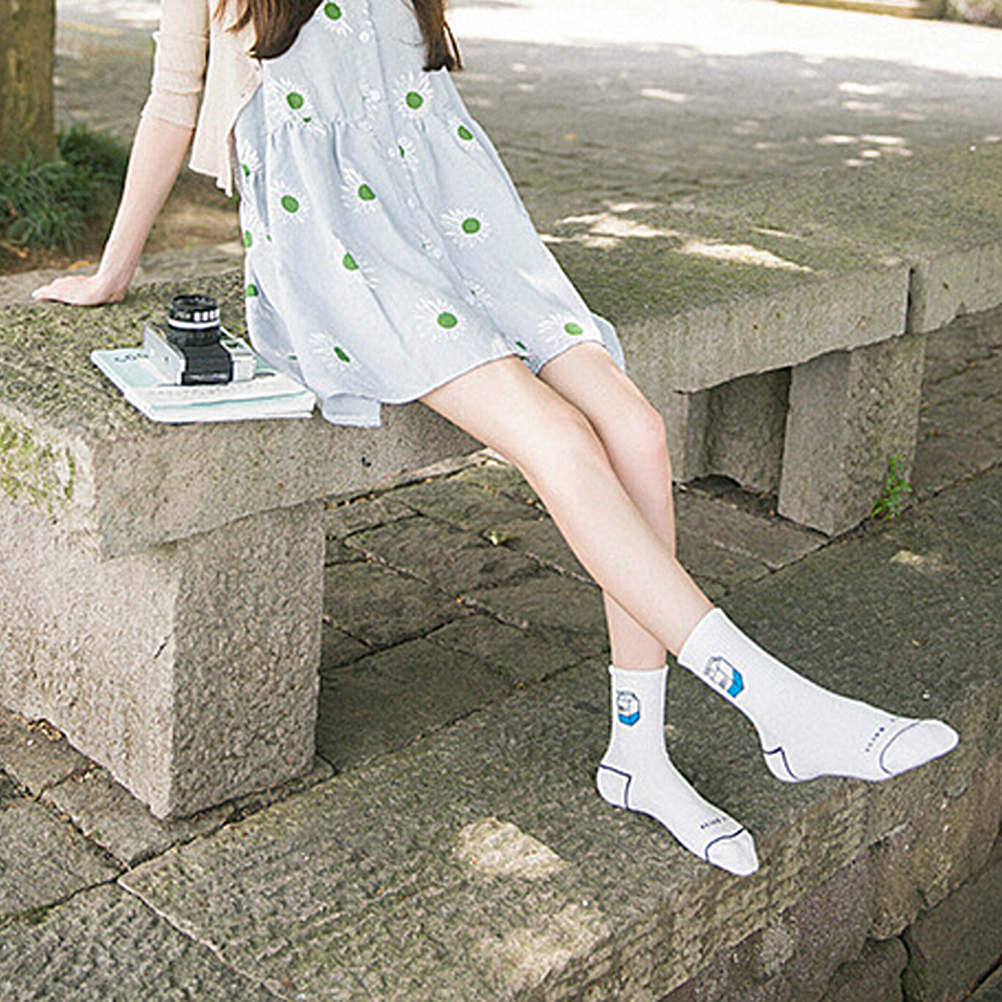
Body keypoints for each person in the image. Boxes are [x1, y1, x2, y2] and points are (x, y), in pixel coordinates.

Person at [33, 0, 958, 876]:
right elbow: (172, 102)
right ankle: (776, 702)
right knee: (557, 435)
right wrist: (112, 273)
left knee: (636, 429)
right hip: (347, 258)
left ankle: (638, 754)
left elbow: (426, 101)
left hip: (467, 228)